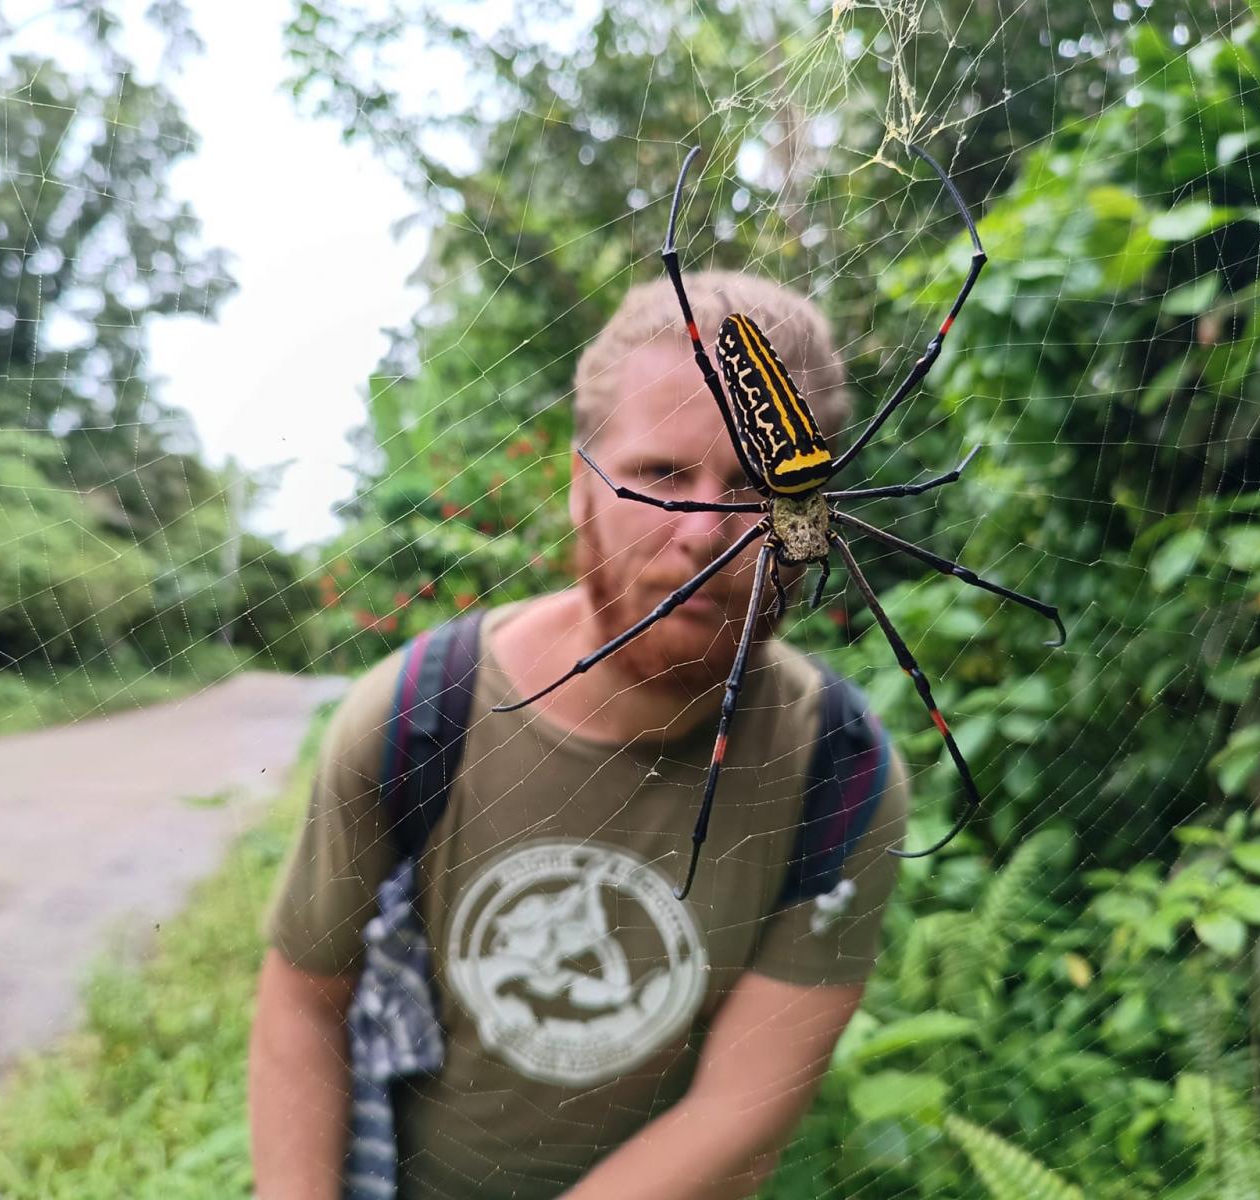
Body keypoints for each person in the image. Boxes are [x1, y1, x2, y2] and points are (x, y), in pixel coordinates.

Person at [249, 269, 909, 1200]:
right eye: (661, 476)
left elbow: (744, 1108)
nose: (709, 533)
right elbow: (304, 1001)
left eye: (758, 488)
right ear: (578, 486)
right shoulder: (418, 713)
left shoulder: (840, 770)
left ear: (815, 514)